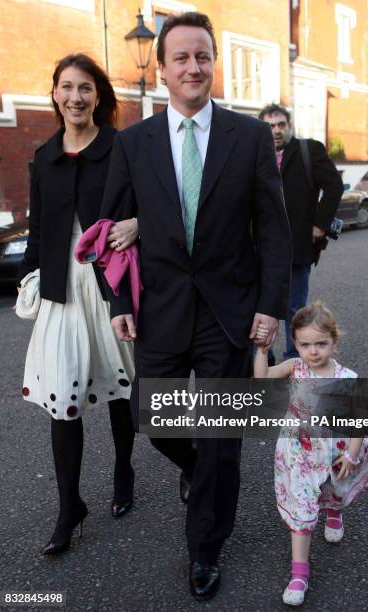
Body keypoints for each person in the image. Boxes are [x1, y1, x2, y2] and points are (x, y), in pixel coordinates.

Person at [101, 12, 292, 601]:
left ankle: (203, 548)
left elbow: (274, 230)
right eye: (181, 57)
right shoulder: (133, 143)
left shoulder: (250, 137)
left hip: (227, 311)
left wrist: (269, 308)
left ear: (215, 63)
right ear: (162, 69)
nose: (193, 66)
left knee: (218, 438)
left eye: (203, 55)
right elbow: (110, 229)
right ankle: (193, 467)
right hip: (158, 308)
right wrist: (117, 300)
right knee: (153, 420)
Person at [18, 53, 139, 555]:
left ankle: (123, 469)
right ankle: (70, 507)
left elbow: (147, 207)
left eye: (85, 88)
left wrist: (141, 226)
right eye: (66, 87)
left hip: (109, 284)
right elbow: (39, 227)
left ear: (98, 96)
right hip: (59, 292)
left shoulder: (121, 148)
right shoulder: (43, 158)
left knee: (117, 391)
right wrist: (30, 277)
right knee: (63, 401)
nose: (75, 97)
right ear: (54, 94)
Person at [254, 302, 368, 606]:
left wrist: (351, 456)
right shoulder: (294, 367)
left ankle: (334, 512)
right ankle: (300, 572)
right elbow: (262, 378)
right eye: (305, 344)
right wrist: (261, 350)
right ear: (295, 344)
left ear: (334, 342)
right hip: (298, 451)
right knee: (301, 506)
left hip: (334, 448)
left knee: (333, 487)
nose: (313, 351)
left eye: (321, 344)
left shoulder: (347, 378)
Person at [258, 104, 343, 364]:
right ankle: (265, 362)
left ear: (289, 126)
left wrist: (321, 224)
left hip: (298, 246)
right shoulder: (254, 154)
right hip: (259, 249)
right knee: (260, 309)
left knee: (294, 309)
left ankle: (295, 361)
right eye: (270, 126)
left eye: (281, 124)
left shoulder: (309, 150)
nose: (276, 131)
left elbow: (334, 185)